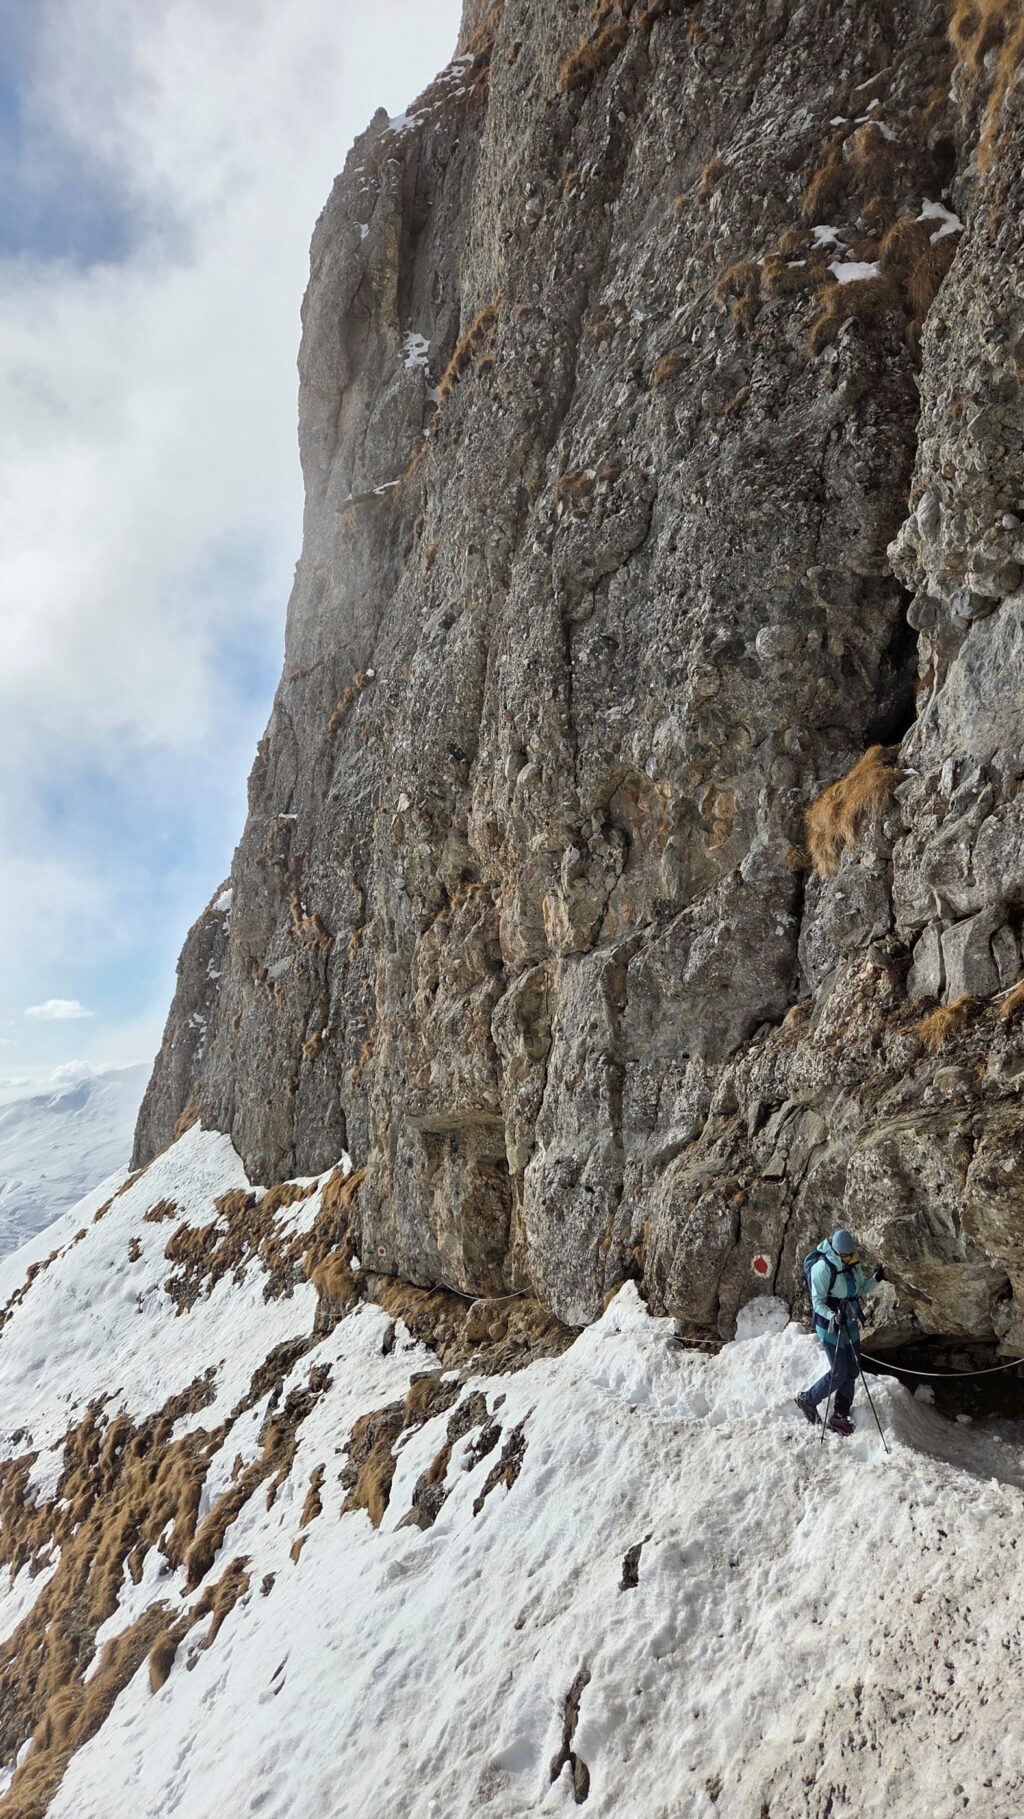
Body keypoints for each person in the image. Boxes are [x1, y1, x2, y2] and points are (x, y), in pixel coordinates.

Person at [795, 1228, 884, 1434]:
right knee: (838, 1372)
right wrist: (832, 1317)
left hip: (849, 1320)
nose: (846, 1258)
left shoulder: (853, 1263)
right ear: (835, 1252)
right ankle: (807, 1400)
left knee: (852, 1369)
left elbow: (859, 1290)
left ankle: (840, 1414)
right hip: (830, 1324)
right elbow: (817, 1302)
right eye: (843, 1255)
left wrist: (876, 1279)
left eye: (849, 1255)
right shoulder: (822, 1268)